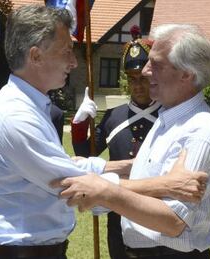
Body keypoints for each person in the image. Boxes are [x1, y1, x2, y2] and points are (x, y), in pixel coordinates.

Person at [0, 6, 207, 259]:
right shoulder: (15, 117)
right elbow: (75, 185)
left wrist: (130, 165)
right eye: (66, 52)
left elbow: (68, 165)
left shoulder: (28, 106)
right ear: (36, 56)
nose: (74, 62)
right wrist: (166, 184)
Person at [55, 24, 210, 258]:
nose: (146, 72)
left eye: (156, 64)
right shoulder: (169, 119)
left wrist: (104, 189)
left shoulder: (200, 131)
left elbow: (173, 221)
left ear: (186, 74)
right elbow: (143, 180)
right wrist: (102, 183)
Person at [71, 25, 160, 259]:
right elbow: (87, 154)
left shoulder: (168, 115)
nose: (137, 86)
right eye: (132, 79)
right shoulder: (114, 116)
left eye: (143, 78)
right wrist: (80, 124)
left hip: (156, 207)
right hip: (119, 209)